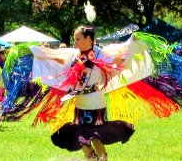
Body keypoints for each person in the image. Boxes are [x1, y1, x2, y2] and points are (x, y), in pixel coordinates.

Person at [50, 26, 134, 161]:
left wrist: (131, 46)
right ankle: (93, 159)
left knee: (95, 137)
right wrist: (42, 54)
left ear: (88, 39)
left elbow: (117, 63)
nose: (75, 42)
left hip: (95, 103)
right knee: (82, 138)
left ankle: (100, 159)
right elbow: (61, 62)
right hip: (80, 103)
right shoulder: (76, 54)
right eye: (74, 39)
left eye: (78, 39)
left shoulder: (100, 54)